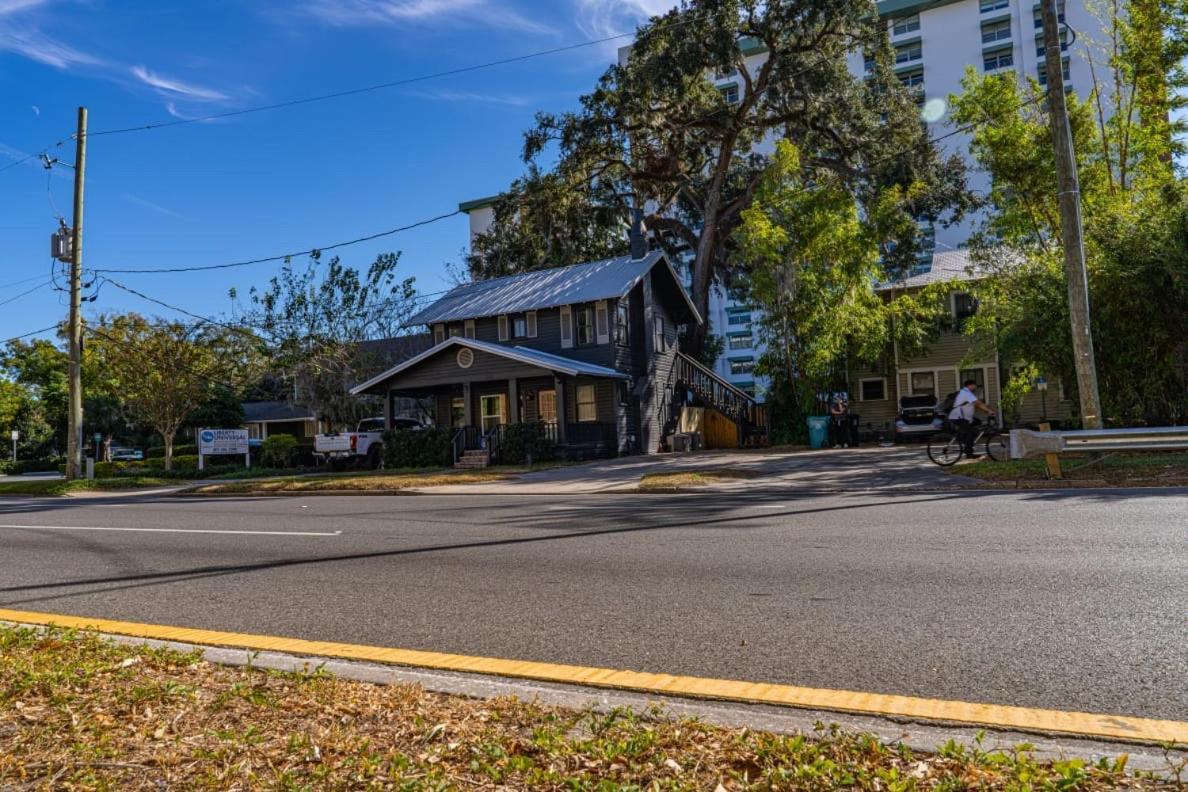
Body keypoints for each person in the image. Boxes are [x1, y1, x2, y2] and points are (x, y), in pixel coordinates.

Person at [948, 378, 996, 456]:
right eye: (975, 385)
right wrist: (989, 411)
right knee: (970, 432)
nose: (976, 387)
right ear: (970, 385)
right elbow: (978, 403)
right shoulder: (966, 393)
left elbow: (975, 405)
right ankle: (969, 453)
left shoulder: (966, 393)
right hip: (958, 417)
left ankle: (963, 438)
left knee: (977, 422)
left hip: (964, 418)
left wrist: (986, 410)